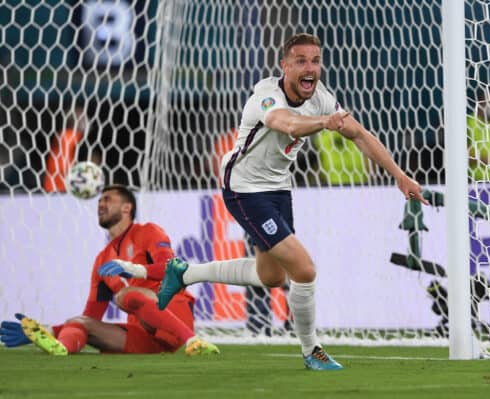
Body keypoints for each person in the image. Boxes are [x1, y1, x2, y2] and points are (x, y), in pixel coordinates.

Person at [100, 33, 427, 371]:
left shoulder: (322, 99)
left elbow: (359, 134)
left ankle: (184, 273)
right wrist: (324, 123)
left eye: (315, 61)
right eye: (300, 61)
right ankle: (311, 350)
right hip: (244, 188)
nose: (309, 68)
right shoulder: (266, 96)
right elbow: (284, 123)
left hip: (278, 189)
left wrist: (399, 175)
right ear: (284, 66)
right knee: (304, 269)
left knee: (270, 276)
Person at [0, 184, 219, 356]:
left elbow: (171, 270)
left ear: (127, 207)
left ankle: (194, 340)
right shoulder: (102, 261)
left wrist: (135, 270)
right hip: (143, 337)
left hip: (174, 314)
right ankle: (61, 350)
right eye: (100, 200)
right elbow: (91, 317)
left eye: (108, 200)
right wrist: (45, 331)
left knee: (126, 295)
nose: (101, 205)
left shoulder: (148, 232)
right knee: (78, 322)